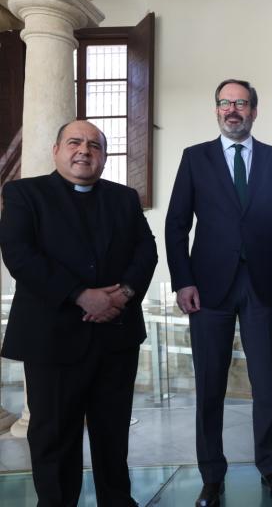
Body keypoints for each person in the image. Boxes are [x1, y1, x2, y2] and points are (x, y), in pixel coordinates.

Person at [0, 120, 157, 506]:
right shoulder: (24, 193)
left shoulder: (123, 197)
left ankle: (117, 501)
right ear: (56, 150)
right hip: (52, 339)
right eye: (74, 142)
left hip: (116, 336)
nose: (84, 150)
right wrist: (80, 295)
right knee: (53, 436)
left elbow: (146, 251)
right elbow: (19, 255)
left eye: (94, 145)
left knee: (113, 432)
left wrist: (122, 293)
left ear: (104, 157)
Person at [165, 79, 272, 505]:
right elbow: (175, 225)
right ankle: (211, 474)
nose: (233, 109)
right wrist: (183, 280)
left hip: (262, 285)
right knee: (210, 384)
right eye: (225, 103)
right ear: (217, 110)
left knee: (265, 384)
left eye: (241, 103)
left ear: (254, 111)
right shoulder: (194, 158)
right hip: (207, 289)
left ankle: (271, 468)